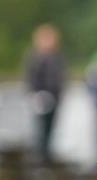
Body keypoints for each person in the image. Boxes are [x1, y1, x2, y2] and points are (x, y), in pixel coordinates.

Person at [25, 23, 66, 161]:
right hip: (40, 97)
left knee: (50, 129)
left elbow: (60, 78)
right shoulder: (35, 58)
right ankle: (40, 157)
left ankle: (47, 155)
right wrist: (35, 94)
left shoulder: (57, 57)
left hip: (54, 98)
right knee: (40, 129)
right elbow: (31, 77)